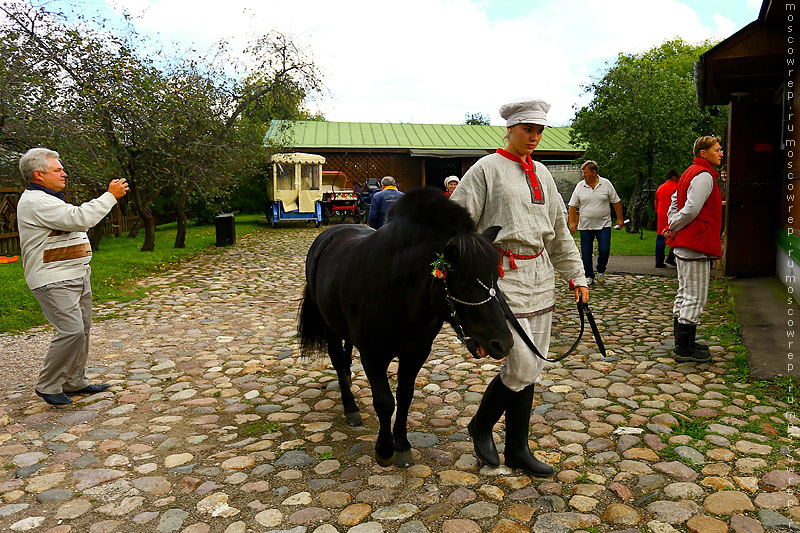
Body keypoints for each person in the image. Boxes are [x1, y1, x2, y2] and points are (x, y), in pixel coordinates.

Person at [450, 97, 589, 478]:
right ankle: (481, 425)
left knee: (533, 366)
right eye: (528, 129)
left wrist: (576, 275)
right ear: (510, 129)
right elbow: (457, 225)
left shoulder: (543, 174)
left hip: (541, 275)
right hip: (503, 277)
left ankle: (517, 448)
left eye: (540, 130)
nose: (534, 136)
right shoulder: (485, 170)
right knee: (524, 363)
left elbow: (559, 232)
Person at [17, 148, 129, 405]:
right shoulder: (37, 202)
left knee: (83, 330)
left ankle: (73, 381)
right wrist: (110, 196)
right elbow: (80, 219)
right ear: (38, 174)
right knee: (71, 331)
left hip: (75, 274)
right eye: (57, 170)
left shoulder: (49, 198)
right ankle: (47, 384)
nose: (64, 174)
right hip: (53, 278)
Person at [662, 135, 724, 364]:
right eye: (717, 150)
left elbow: (675, 203)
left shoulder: (690, 172)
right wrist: (674, 225)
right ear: (703, 153)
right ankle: (684, 348)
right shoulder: (704, 176)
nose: (721, 153)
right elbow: (690, 209)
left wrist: (671, 224)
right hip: (695, 242)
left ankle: (683, 342)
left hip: (686, 242)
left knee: (685, 292)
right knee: (695, 295)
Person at [568, 161, 624, 285]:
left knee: (604, 249)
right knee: (586, 252)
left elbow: (616, 202)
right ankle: (589, 275)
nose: (584, 175)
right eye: (583, 172)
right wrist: (572, 222)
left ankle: (601, 271)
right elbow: (572, 205)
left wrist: (620, 219)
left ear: (594, 173)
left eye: (586, 172)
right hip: (585, 225)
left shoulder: (606, 184)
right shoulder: (580, 186)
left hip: (604, 224)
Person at [654, 169, 679, 268]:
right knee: (676, 237)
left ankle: (658, 260)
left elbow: (656, 203)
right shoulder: (677, 187)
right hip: (673, 216)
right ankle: (671, 256)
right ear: (674, 177)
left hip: (661, 216)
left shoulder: (660, 188)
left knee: (660, 238)